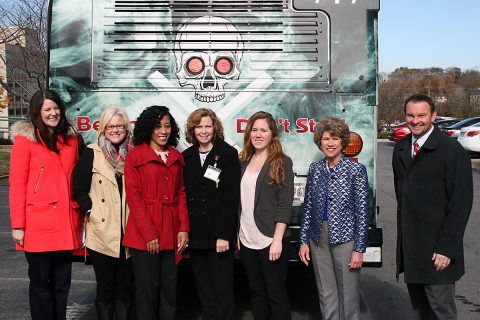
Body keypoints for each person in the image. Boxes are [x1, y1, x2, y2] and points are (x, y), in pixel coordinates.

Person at [392, 94, 473, 320]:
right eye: (411, 115)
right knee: (421, 310)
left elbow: (461, 203)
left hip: (439, 250)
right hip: (412, 249)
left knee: (441, 312)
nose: (416, 120)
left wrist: (446, 248)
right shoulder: (400, 149)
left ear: (433, 116)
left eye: (422, 115)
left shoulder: (451, 151)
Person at [9, 89, 83, 320]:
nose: (53, 113)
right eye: (47, 109)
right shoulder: (26, 140)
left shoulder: (71, 140)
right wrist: (18, 225)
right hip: (37, 223)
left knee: (62, 283)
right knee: (41, 283)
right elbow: (17, 184)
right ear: (37, 112)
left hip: (65, 221)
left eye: (56, 108)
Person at [298, 117, 369, 320]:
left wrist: (358, 249)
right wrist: (303, 241)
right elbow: (308, 206)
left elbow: (362, 212)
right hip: (317, 237)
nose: (330, 143)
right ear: (319, 142)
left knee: (348, 294)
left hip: (345, 239)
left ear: (342, 142)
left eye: (335, 138)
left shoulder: (356, 170)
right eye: (325, 138)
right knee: (326, 293)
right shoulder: (315, 169)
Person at [123, 105, 189, 320]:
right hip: (145, 235)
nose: (163, 131)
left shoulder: (177, 157)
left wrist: (184, 229)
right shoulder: (135, 157)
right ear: (147, 129)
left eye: (167, 126)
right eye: (158, 126)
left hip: (171, 232)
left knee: (169, 292)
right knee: (147, 292)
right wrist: (149, 234)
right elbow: (135, 198)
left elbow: (181, 194)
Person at [73, 106, 134, 319]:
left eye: (119, 125)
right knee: (105, 286)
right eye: (110, 126)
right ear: (103, 128)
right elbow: (78, 189)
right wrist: (90, 210)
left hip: (129, 231)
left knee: (126, 287)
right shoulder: (91, 152)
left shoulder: (135, 153)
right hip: (102, 231)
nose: (115, 130)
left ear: (126, 127)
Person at [182, 108, 240, 320]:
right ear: (192, 129)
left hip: (219, 235)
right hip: (197, 234)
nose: (203, 131)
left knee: (222, 288)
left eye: (208, 126)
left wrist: (224, 234)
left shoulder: (227, 154)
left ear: (215, 128)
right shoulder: (186, 157)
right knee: (203, 288)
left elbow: (231, 198)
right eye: (199, 126)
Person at [238, 111, 294, 320]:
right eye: (254, 130)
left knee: (276, 295)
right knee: (257, 293)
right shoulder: (243, 162)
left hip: (270, 239)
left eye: (264, 130)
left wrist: (277, 240)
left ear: (272, 134)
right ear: (249, 133)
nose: (258, 134)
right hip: (246, 239)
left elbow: (284, 204)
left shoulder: (282, 162)